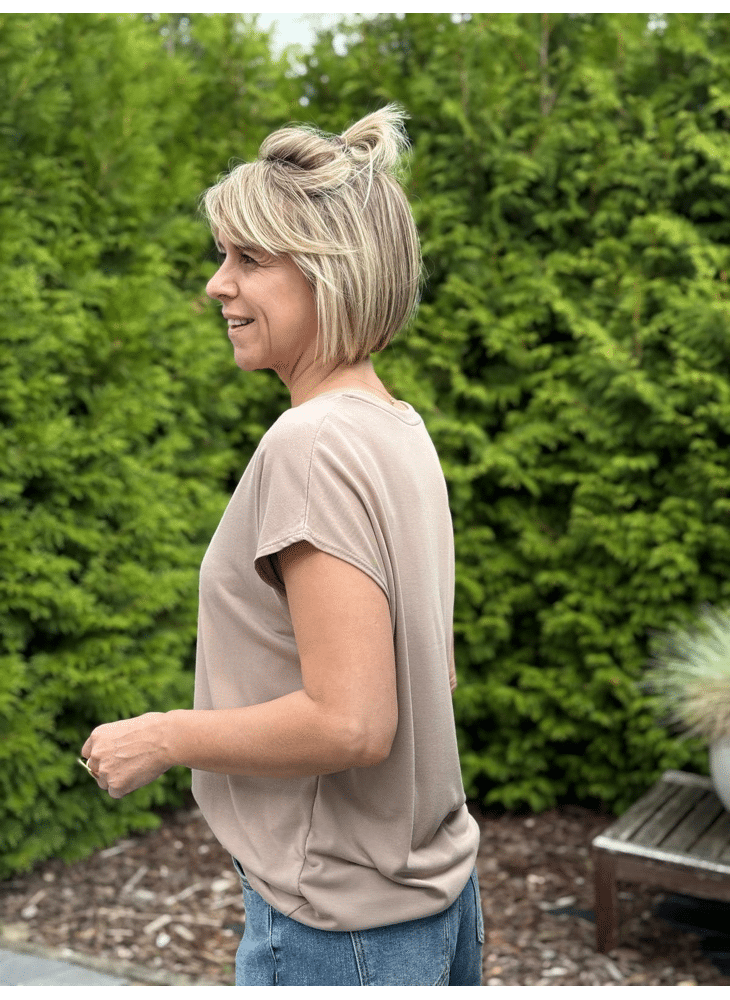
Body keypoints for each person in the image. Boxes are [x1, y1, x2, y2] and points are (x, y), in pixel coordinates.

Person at [81, 103, 483, 986]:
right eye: (223, 256)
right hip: (435, 903)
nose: (217, 285)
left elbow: (353, 722)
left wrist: (162, 737)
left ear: (330, 273)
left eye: (250, 260)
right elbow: (434, 673)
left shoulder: (311, 444)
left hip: (342, 933)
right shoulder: (397, 427)